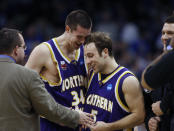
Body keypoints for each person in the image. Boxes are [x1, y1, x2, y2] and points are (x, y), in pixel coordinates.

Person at [0, 28, 94, 131]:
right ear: (16, 50)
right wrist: (76, 116)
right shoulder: (27, 75)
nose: (25, 50)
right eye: (24, 47)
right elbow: (49, 109)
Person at [25, 10, 92, 131]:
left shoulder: (86, 51)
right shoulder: (43, 51)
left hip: (81, 124)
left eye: (86, 37)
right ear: (68, 29)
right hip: (53, 125)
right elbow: (23, 87)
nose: (83, 41)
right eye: (79, 37)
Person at [83, 32, 145, 131]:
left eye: (90, 56)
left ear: (105, 52)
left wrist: (108, 127)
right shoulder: (91, 74)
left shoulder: (127, 81)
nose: (87, 61)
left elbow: (139, 117)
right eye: (85, 57)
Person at [141, 13, 174, 131]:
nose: (164, 37)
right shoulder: (157, 67)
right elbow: (147, 104)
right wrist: (150, 120)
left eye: (170, 33)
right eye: (163, 33)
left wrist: (164, 105)